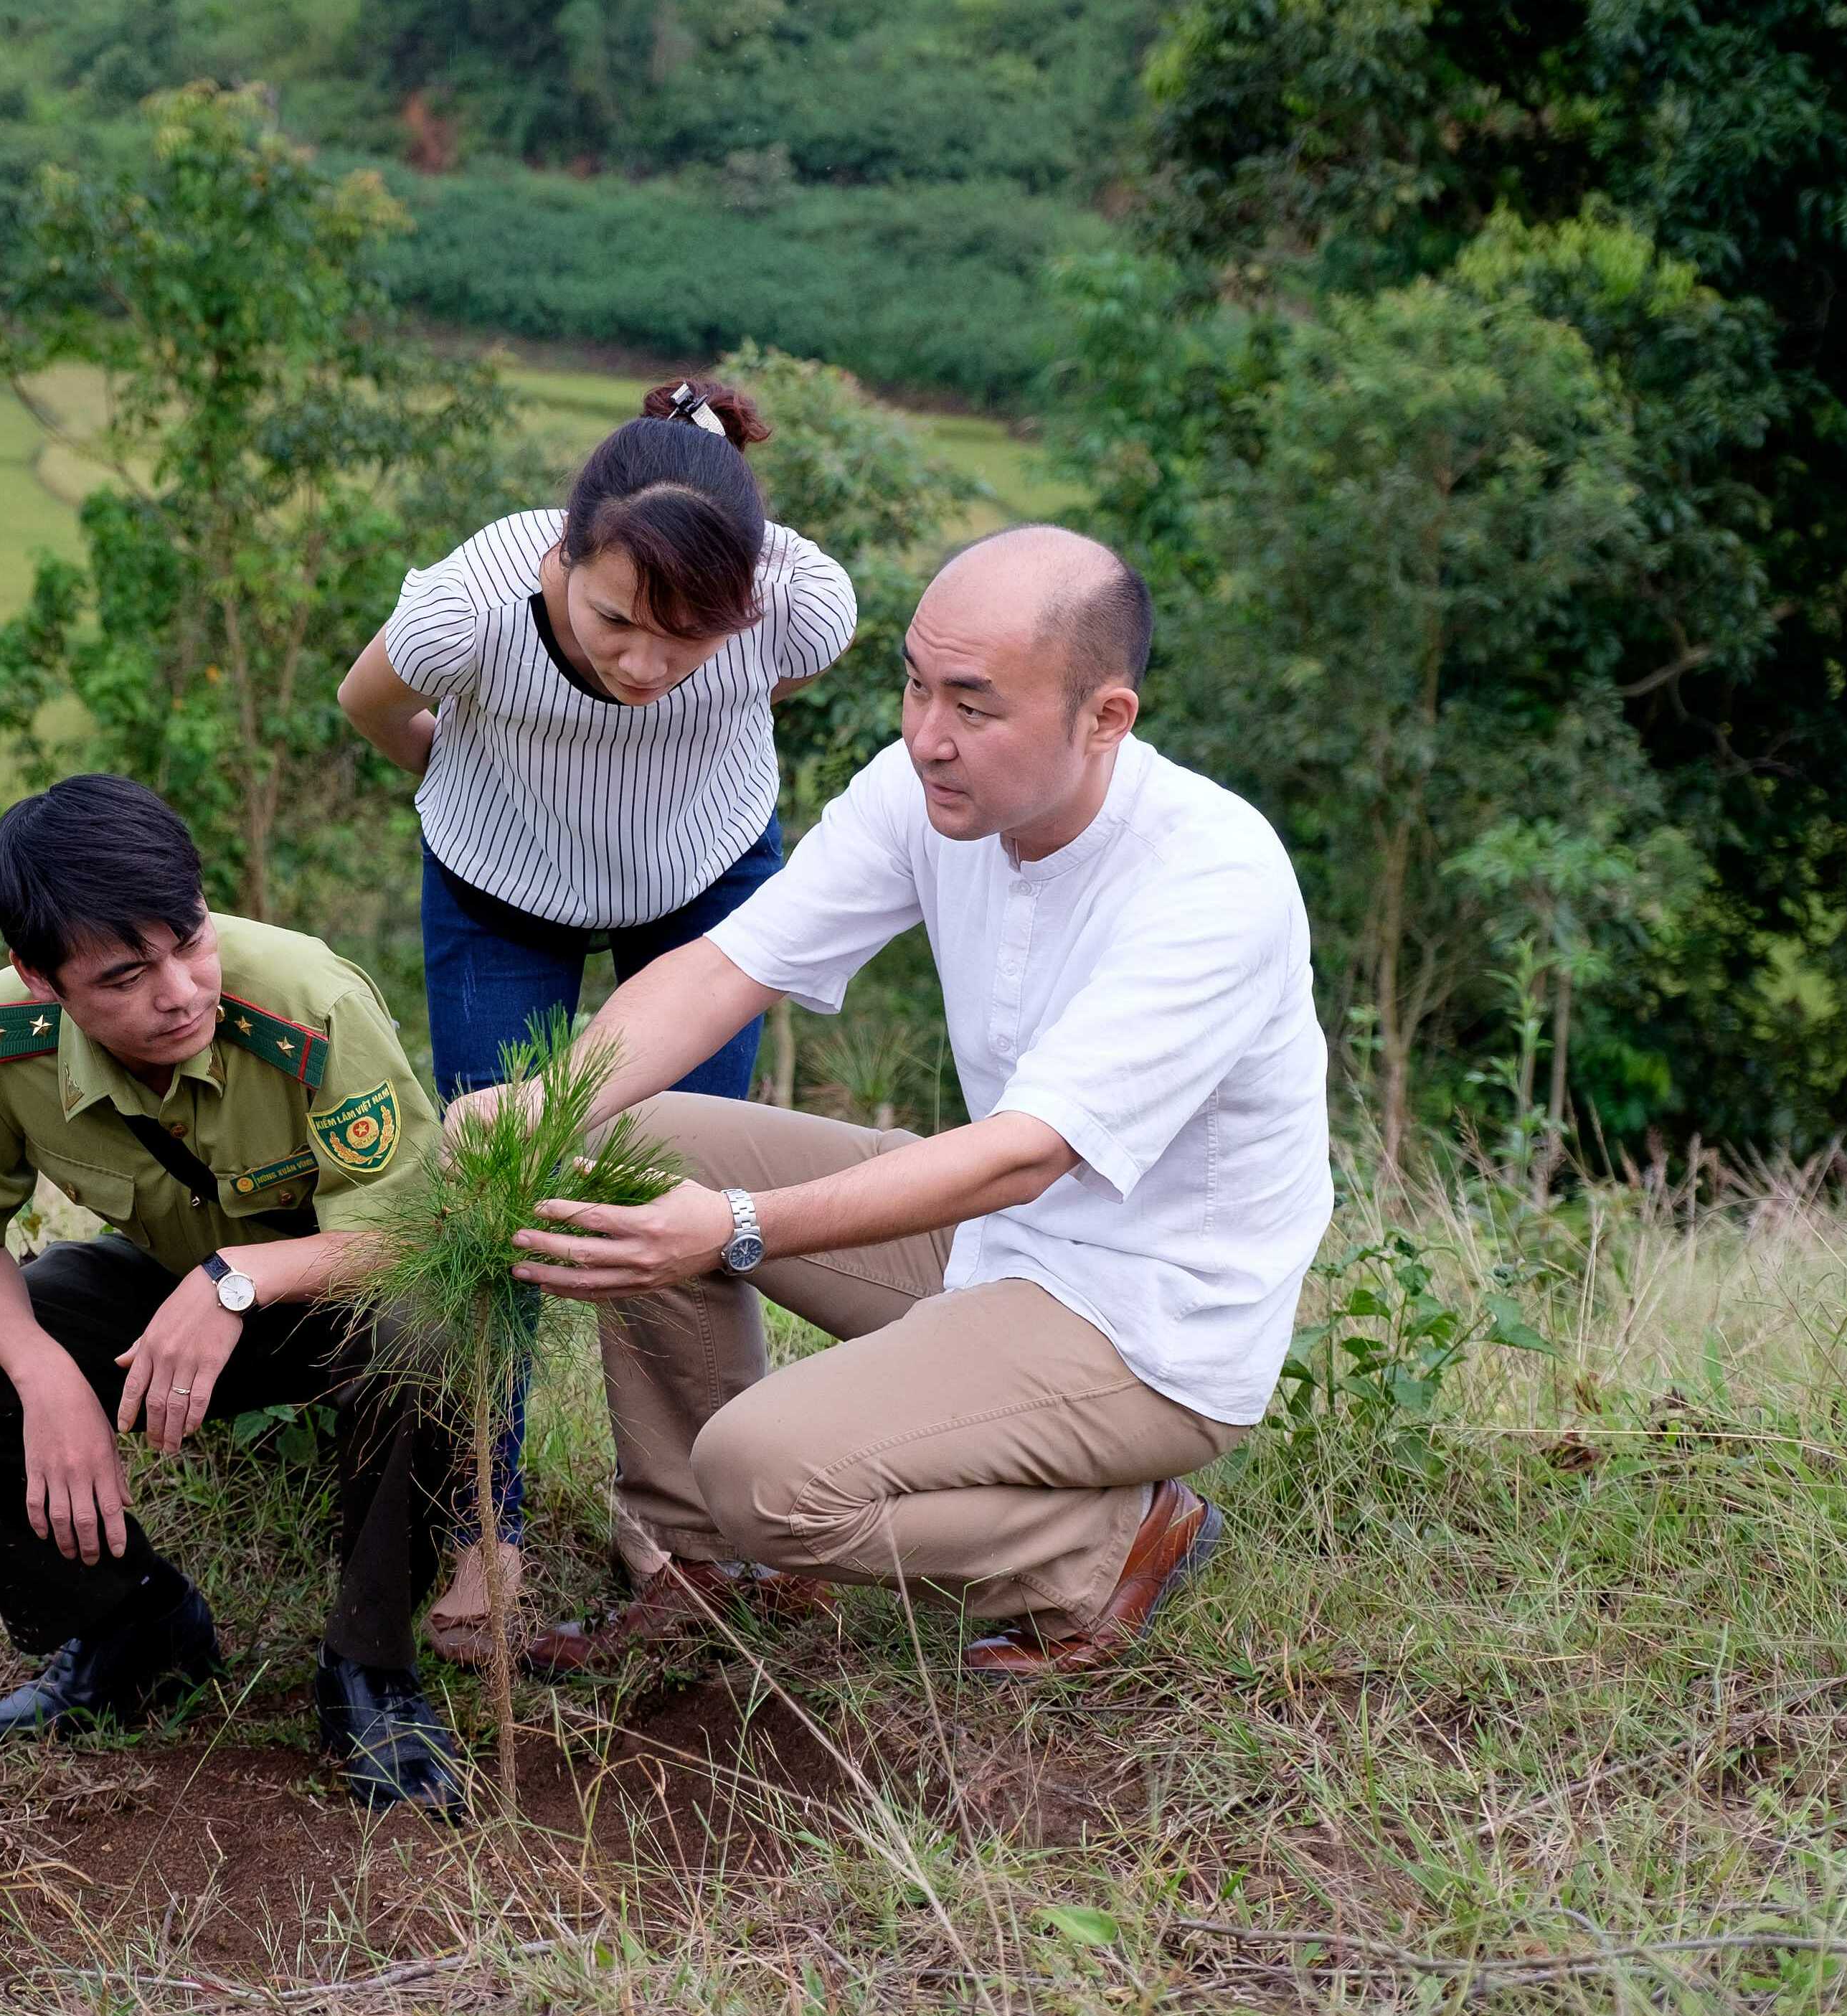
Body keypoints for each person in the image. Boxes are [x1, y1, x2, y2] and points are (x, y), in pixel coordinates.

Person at [473, 525, 1333, 1675]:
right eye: (916, 686)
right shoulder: (926, 788)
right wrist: (544, 1106)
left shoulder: (1213, 878)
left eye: (973, 706)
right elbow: (728, 969)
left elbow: (1027, 1153)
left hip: (1145, 1322)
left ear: (1105, 718)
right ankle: (703, 1574)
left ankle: (1105, 1546)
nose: (928, 735)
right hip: (995, 1239)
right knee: (625, 1141)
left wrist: (734, 1224)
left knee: (761, 1472)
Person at [335, 375, 861, 1657]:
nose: (644, 662)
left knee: (677, 1184)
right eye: (616, 618)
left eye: (688, 639)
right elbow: (370, 703)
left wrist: (680, 740)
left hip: (705, 879)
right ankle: (486, 1522)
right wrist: (462, 769)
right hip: (499, 880)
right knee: (497, 1183)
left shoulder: (800, 601)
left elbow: (773, 679)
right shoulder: (468, 606)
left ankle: (685, 1525)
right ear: (562, 556)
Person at [0, 775, 468, 1814]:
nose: (180, 991)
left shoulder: (305, 1000)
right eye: (126, 976)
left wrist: (234, 1282)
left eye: (190, 941)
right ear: (38, 977)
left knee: (424, 1324)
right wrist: (44, 1373)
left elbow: (408, 1236)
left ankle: (371, 1667)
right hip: (162, 1287)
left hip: (330, 1291)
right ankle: (134, 1627)